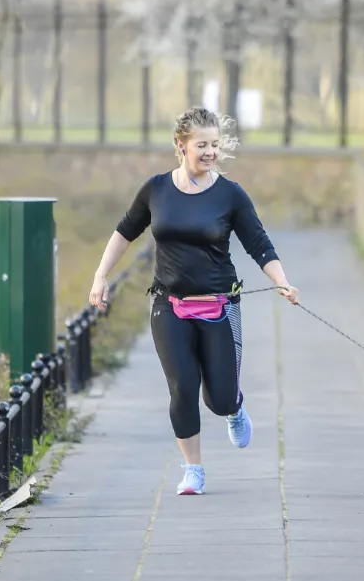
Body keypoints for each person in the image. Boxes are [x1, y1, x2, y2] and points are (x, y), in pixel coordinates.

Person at [88, 107, 300, 495]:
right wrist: (101, 275)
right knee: (182, 386)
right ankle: (193, 470)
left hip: (220, 305)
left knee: (219, 397)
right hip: (168, 304)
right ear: (180, 145)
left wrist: (282, 281)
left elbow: (259, 243)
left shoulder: (230, 194)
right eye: (202, 145)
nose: (210, 152)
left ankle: (234, 407)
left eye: (215, 145)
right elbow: (125, 232)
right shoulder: (156, 190)